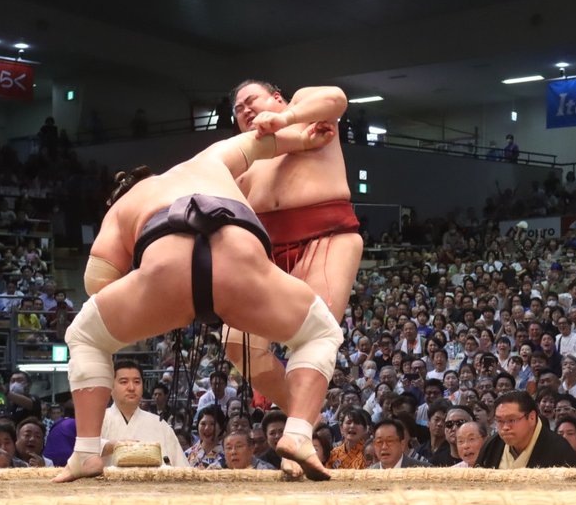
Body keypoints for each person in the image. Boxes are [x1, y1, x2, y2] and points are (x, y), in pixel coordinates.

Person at [53, 121, 343, 482]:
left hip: (164, 266)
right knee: (320, 333)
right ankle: (299, 434)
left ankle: (85, 454)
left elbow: (97, 284)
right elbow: (258, 143)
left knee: (84, 336)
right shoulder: (208, 161)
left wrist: (155, 304)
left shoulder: (123, 205)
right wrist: (301, 138)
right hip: (241, 262)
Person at [221, 80, 364, 415]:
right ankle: (300, 415)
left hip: (325, 237)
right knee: (237, 344)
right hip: (263, 253)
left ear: (277, 98)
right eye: (238, 110)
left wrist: (287, 120)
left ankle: (300, 424)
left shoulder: (304, 112)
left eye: (250, 100)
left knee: (314, 333)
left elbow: (337, 98)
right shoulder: (243, 155)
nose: (244, 110)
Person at [99, 359, 188, 468]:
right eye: (124, 382)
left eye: (137, 382)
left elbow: (180, 467)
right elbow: (83, 452)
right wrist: (111, 446)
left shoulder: (159, 424)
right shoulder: (98, 420)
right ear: (111, 387)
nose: (131, 388)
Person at [478, 390, 576, 469]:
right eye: (500, 421)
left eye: (512, 420)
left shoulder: (558, 449)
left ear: (532, 418)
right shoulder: (492, 445)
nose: (505, 427)